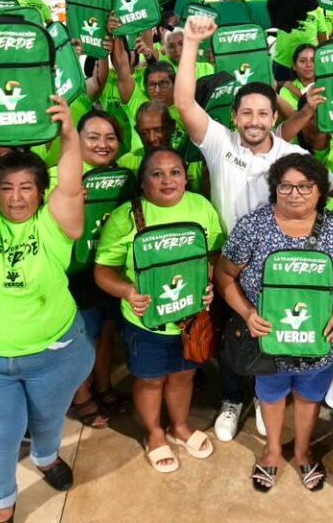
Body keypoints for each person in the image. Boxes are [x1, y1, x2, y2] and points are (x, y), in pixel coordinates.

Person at [0, 86, 94, 523]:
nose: (16, 197)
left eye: (27, 187)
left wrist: (68, 136)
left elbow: (69, 184)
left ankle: (46, 457)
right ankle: (3, 505)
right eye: (6, 188)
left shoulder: (55, 225)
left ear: (40, 193)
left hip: (56, 355)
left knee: (49, 421)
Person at [172, 15, 312, 442]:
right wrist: (193, 42)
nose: (254, 120)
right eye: (246, 112)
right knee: (232, 339)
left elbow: (318, 195)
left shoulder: (291, 152)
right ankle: (232, 400)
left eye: (263, 113)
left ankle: (266, 397)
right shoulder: (219, 144)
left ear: (274, 117)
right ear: (234, 116)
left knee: (270, 331)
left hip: (277, 265)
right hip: (227, 264)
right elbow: (184, 103)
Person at [217, 154, 333, 492]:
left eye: (305, 186)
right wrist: (248, 313)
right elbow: (224, 273)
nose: (295, 194)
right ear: (275, 188)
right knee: (272, 394)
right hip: (268, 340)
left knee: (310, 396)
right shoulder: (253, 226)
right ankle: (272, 451)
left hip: (320, 338)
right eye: (286, 186)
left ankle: (303, 450)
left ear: (321, 191)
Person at [94, 146, 222, 472]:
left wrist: (209, 285)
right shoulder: (127, 217)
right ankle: (154, 433)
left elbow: (214, 255)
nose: (167, 180)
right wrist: (127, 291)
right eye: (157, 173)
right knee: (150, 379)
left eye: (175, 172)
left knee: (184, 375)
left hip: (190, 319)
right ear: (143, 181)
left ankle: (179, 426)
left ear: (185, 177)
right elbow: (103, 270)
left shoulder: (201, 207)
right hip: (145, 321)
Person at [62, 112, 132, 429]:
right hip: (75, 273)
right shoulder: (60, 177)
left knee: (106, 332)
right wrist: (66, 200)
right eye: (93, 136)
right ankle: (81, 395)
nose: (102, 144)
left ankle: (103, 386)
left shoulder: (124, 179)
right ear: (77, 139)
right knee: (83, 338)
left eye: (110, 137)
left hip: (112, 271)